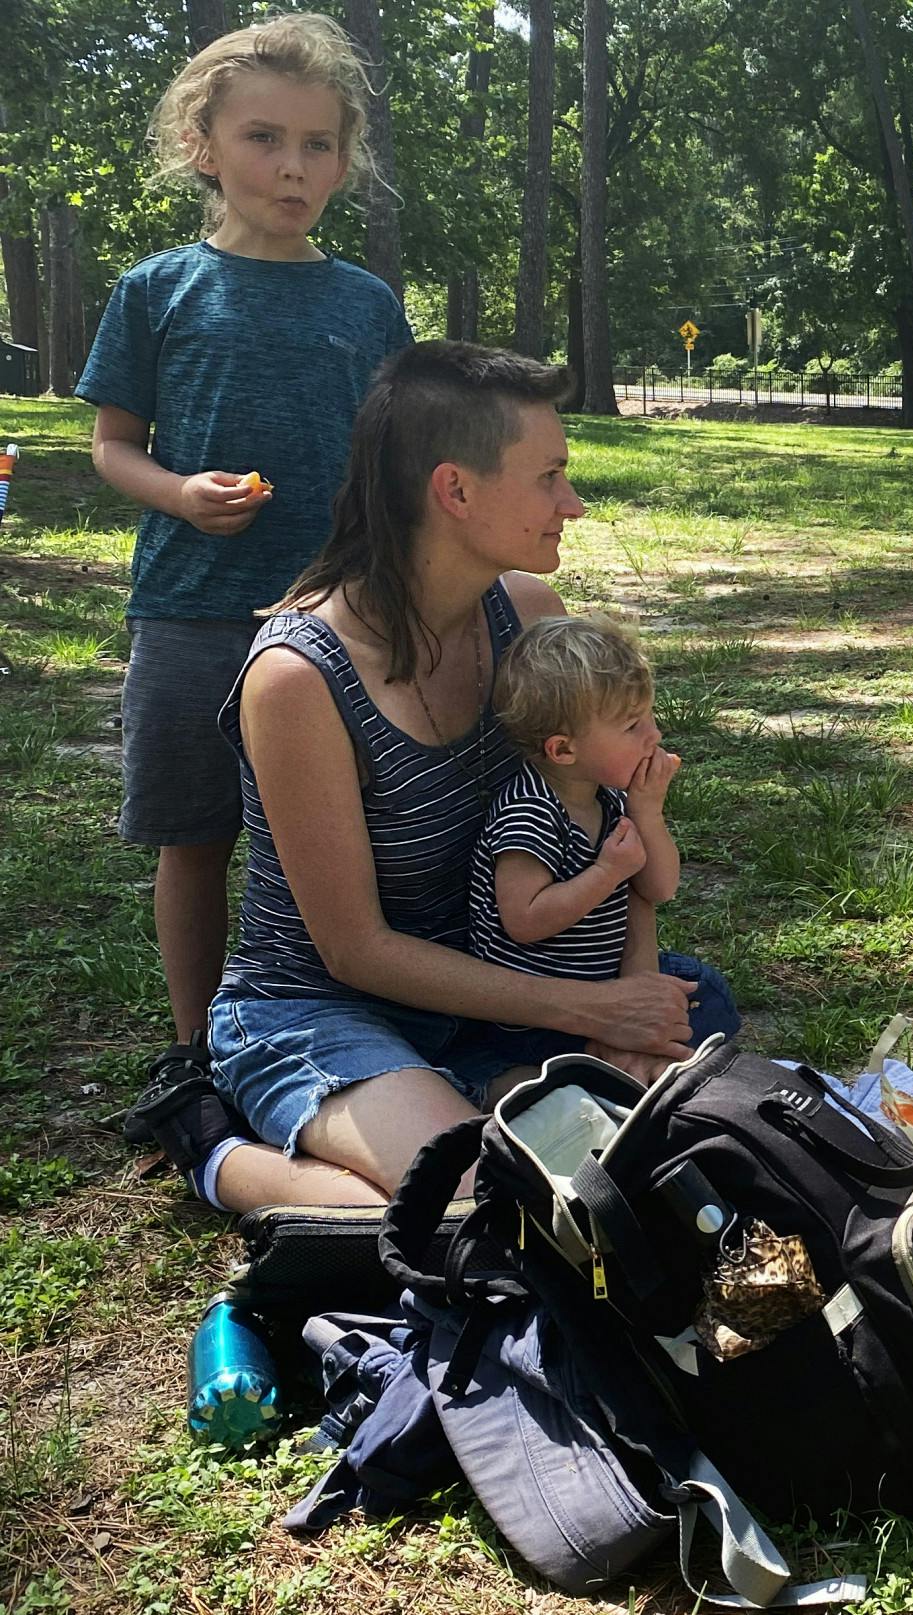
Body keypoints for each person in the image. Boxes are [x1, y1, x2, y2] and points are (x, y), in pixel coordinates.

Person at [186, 341, 721, 1212]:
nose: (573, 505)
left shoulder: (530, 617)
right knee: (487, 1208)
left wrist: (615, 999)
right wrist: (588, 1011)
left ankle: (454, 1098)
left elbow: (605, 833)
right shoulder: (299, 677)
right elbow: (352, 949)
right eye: (549, 476)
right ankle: (212, 1142)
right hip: (320, 1007)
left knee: (645, 1158)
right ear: (455, 489)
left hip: (485, 988)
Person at [75, 13, 412, 1185]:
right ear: (203, 144)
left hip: (338, 624)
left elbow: (394, 457)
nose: (294, 168)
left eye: (320, 145)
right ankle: (191, 1052)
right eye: (265, 138)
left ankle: (340, 1027)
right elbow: (114, 446)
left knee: (343, 838)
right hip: (191, 612)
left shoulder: (367, 303)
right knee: (196, 835)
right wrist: (176, 491)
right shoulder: (158, 289)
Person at [468, 614, 737, 1059]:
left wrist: (646, 813)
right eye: (633, 726)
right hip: (537, 1018)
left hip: (606, 982)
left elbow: (659, 888)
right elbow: (524, 920)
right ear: (564, 750)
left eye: (649, 716)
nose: (654, 735)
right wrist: (607, 871)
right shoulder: (529, 812)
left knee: (706, 991)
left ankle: (619, 1058)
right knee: (694, 1018)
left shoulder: (609, 798)